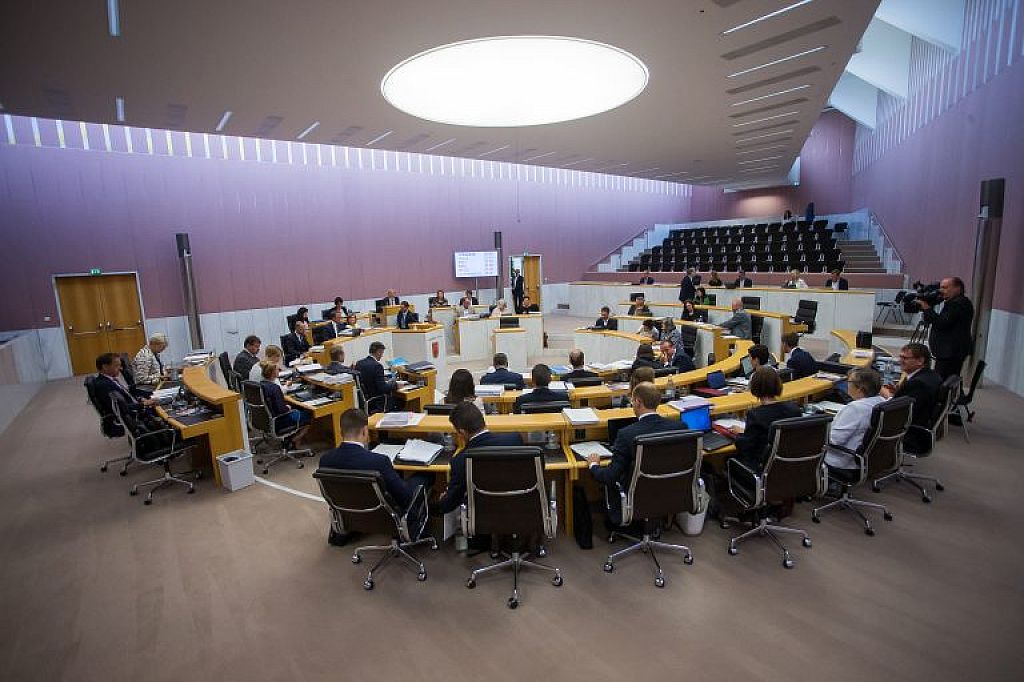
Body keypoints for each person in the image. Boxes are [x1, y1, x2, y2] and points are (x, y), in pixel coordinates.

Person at [318, 409, 431, 545]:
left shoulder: (325, 460)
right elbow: (405, 497)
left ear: (341, 431)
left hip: (350, 514)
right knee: (424, 477)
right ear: (365, 431)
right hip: (385, 517)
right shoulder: (379, 461)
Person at [587, 382, 685, 523]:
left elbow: (609, 476)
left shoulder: (626, 434)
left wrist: (593, 465)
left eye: (632, 401)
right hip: (671, 494)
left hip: (637, 498)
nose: (632, 404)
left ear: (638, 402)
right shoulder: (680, 427)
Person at [436, 403, 521, 514]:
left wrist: (443, 500)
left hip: (483, 517)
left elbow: (449, 504)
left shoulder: (460, 461)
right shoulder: (514, 440)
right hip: (518, 510)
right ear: (483, 421)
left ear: (462, 432)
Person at [730, 367, 802, 471]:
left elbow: (746, 448)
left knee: (728, 460)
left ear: (754, 388)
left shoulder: (755, 415)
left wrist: (739, 435)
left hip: (762, 470)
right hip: (790, 467)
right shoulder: (794, 410)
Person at [880, 343, 942, 453]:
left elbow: (898, 413)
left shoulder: (918, 384)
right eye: (900, 357)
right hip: (918, 426)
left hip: (909, 435)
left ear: (920, 361)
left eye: (905, 358)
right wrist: (898, 393)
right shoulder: (931, 375)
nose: (900, 361)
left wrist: (885, 393)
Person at [824, 368, 886, 471]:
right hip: (867, 457)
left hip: (842, 460)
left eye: (849, 381)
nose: (847, 384)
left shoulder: (855, 408)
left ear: (860, 389)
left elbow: (834, 440)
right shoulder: (881, 401)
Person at [919, 277, 974, 380]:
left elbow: (942, 323)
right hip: (948, 352)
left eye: (945, 288)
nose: (941, 291)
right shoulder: (953, 302)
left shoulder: (957, 304)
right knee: (944, 380)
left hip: (951, 352)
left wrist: (927, 308)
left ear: (957, 288)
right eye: (941, 288)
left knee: (943, 381)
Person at [259, 361, 311, 444]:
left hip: (266, 420)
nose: (278, 371)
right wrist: (288, 407)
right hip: (280, 420)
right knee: (308, 414)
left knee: (295, 407)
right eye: (277, 370)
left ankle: (290, 437)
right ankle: (294, 440)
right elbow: (282, 410)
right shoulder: (275, 388)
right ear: (273, 373)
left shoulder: (260, 385)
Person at [354, 341, 397, 412]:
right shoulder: (377, 366)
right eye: (382, 353)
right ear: (378, 352)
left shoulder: (359, 363)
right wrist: (395, 384)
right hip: (377, 401)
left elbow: (369, 378)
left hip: (365, 399)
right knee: (400, 401)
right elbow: (383, 388)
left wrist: (382, 379)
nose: (382, 356)